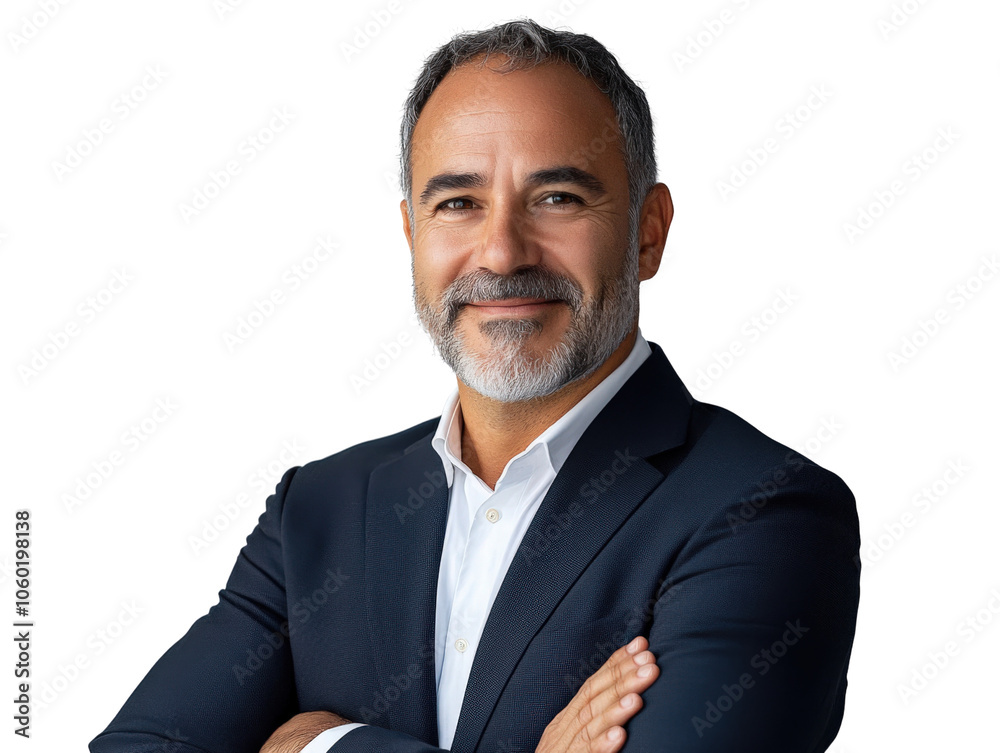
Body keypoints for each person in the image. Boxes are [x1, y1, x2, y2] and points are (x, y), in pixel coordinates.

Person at [90, 18, 860, 753]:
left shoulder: (764, 510)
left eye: (557, 198)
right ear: (412, 235)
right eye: (458, 203)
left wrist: (320, 740)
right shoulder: (318, 510)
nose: (500, 252)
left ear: (647, 232)